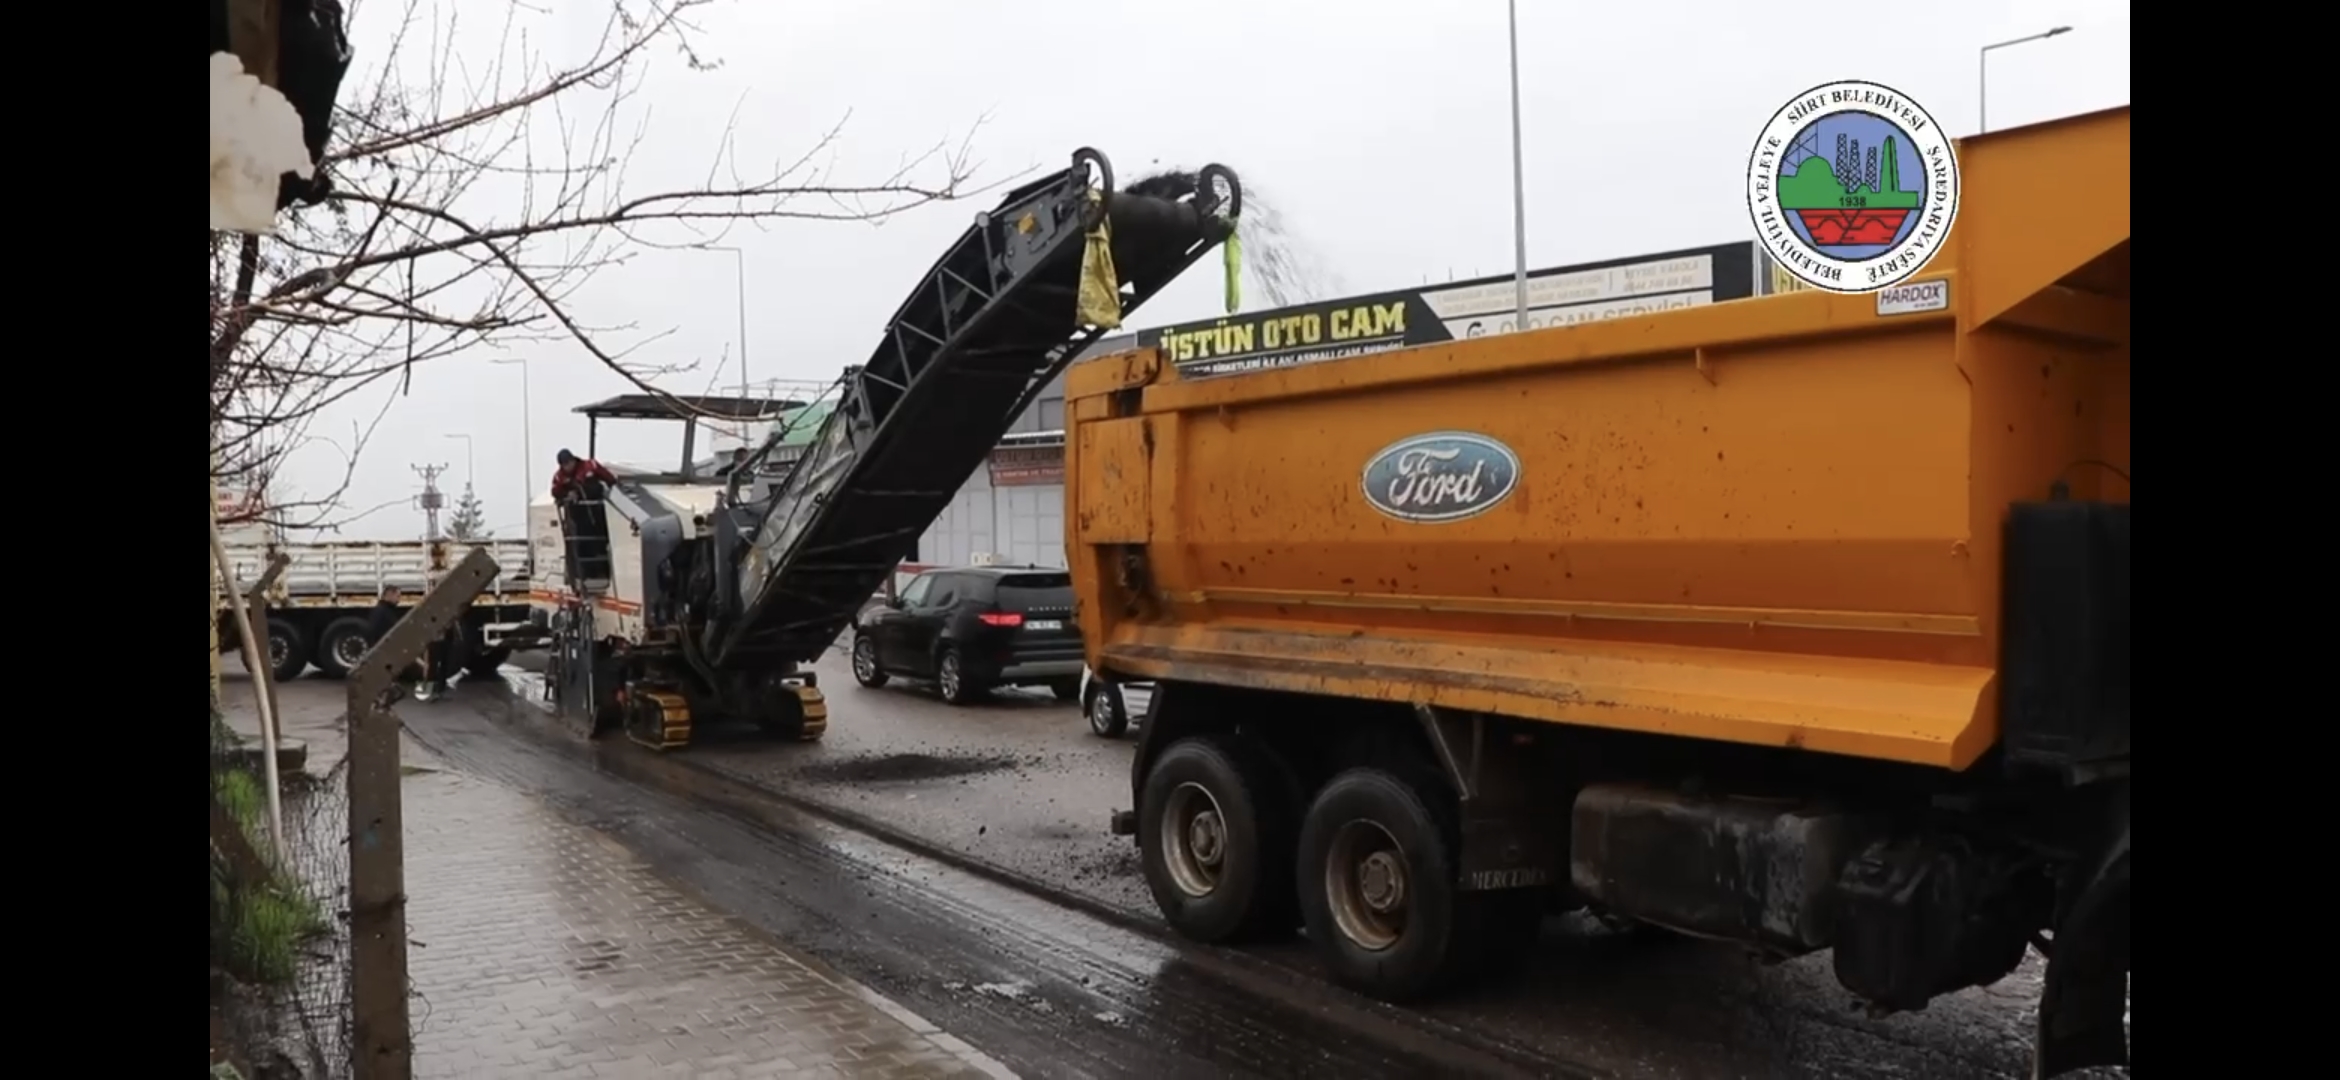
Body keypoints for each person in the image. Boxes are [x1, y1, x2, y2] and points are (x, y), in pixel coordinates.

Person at [550, 448, 619, 502]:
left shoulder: (590, 465)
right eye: (564, 464)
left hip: (596, 504)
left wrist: (614, 486)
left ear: (573, 459)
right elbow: (555, 491)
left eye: (569, 462)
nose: (568, 466)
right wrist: (567, 494)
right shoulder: (559, 477)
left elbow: (608, 477)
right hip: (575, 510)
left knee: (593, 485)